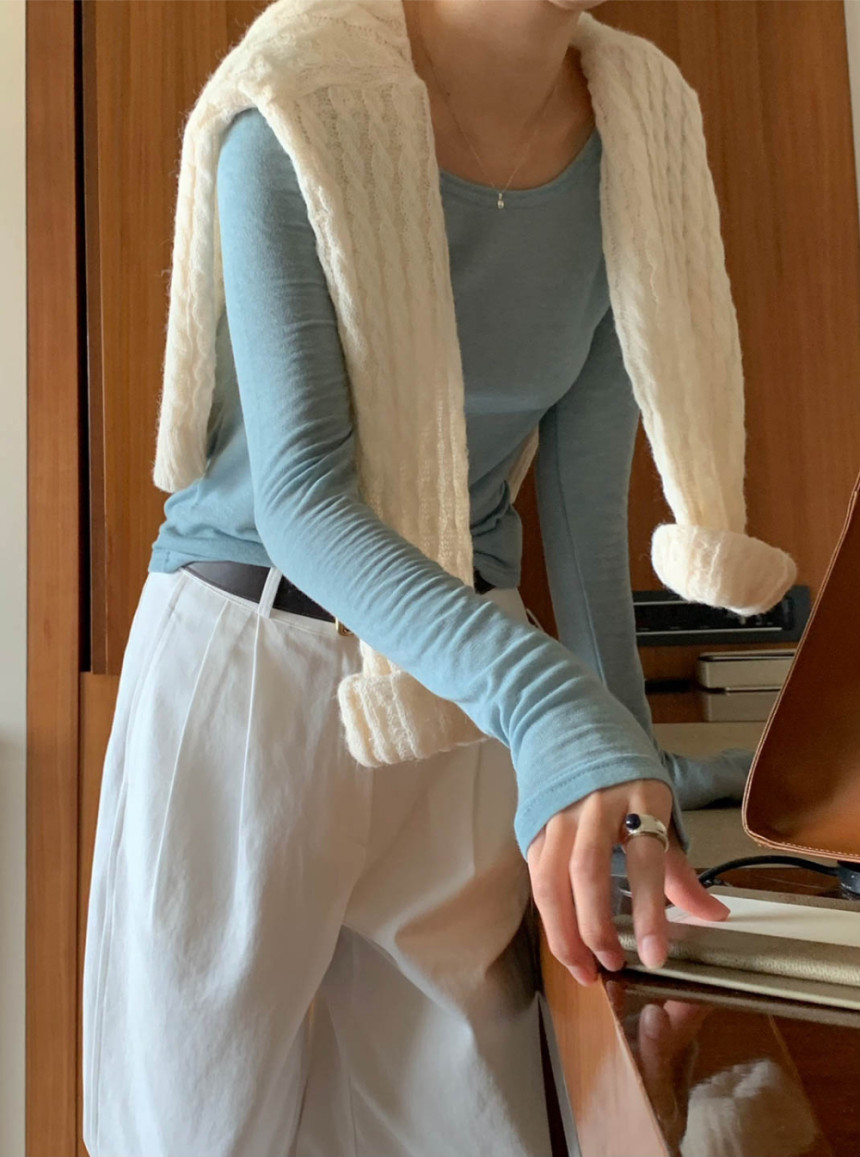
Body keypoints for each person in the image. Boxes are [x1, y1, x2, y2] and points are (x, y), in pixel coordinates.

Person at [81, 1, 785, 1154]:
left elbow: (579, 509)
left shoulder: (636, 124)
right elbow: (303, 500)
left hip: (463, 684)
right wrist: (552, 709)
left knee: (467, 1124)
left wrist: (625, 773)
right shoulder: (294, 105)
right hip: (251, 673)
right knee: (196, 1130)